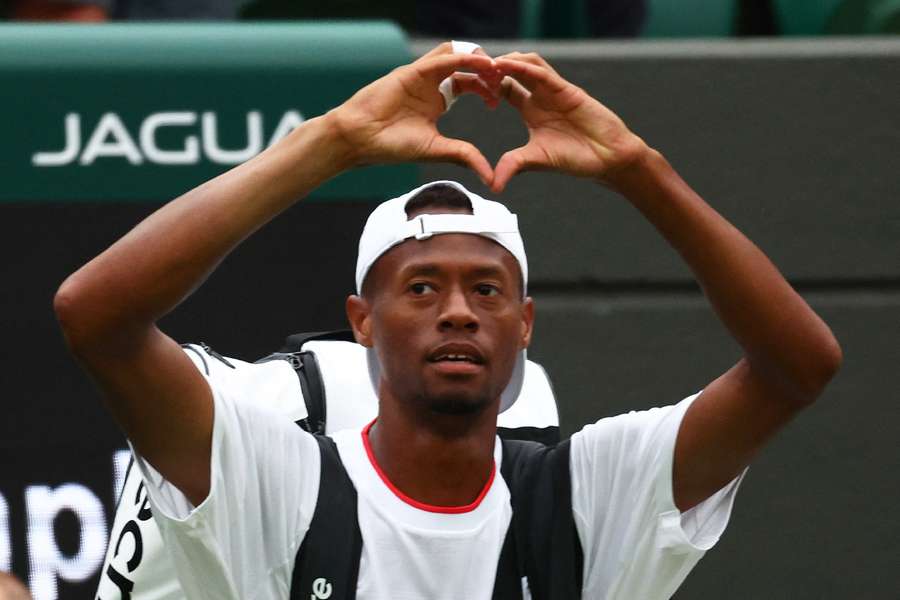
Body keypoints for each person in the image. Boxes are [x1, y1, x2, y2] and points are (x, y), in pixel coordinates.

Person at [54, 43, 842, 599]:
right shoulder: (281, 483)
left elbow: (798, 365)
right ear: (361, 321)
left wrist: (638, 169)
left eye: (488, 291)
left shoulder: (588, 493)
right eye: (423, 289)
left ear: (526, 324)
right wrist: (329, 143)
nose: (459, 310)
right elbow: (96, 316)